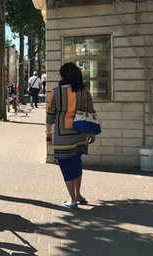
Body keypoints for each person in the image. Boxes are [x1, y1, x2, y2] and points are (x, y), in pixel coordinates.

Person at [46, 63, 96, 209]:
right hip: (81, 132)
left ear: (64, 75)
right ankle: (79, 194)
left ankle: (72, 200)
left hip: (63, 135)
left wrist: (48, 132)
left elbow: (50, 114)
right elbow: (91, 112)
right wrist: (92, 133)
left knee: (66, 165)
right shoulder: (85, 91)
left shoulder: (56, 92)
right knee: (76, 162)